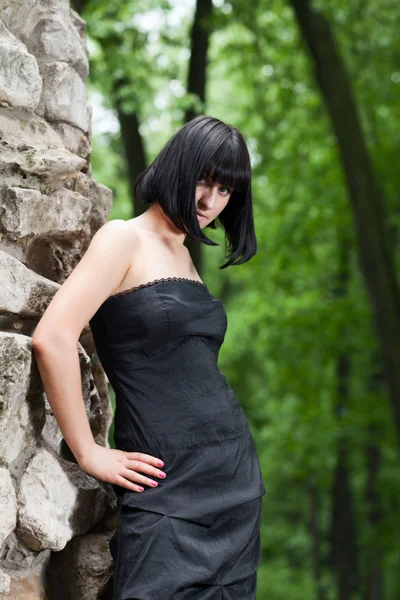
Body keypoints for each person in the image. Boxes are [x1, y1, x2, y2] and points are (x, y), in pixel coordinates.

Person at [32, 115, 266, 599]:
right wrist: (88, 451)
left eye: (226, 191)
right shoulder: (124, 238)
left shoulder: (184, 257)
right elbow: (52, 337)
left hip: (234, 484)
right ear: (177, 166)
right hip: (167, 486)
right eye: (204, 180)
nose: (209, 201)